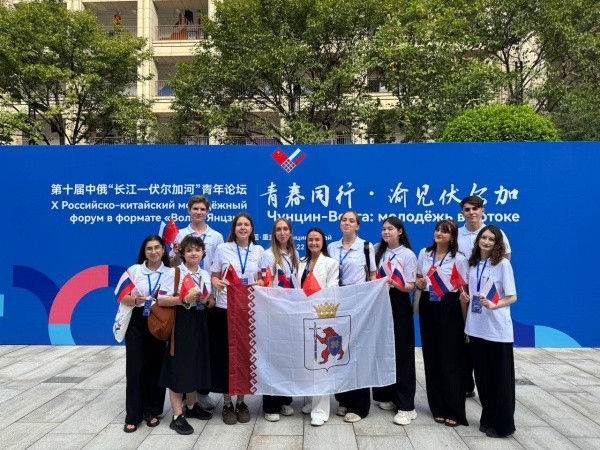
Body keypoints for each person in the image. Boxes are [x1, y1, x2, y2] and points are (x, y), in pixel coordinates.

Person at [460, 225, 517, 438]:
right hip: (476, 328)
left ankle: (503, 424)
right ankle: (488, 416)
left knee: (500, 379)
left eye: (491, 239)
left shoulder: (502, 264)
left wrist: (495, 305)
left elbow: (512, 296)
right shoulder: (473, 263)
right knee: (483, 378)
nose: (486, 242)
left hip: (497, 330)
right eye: (483, 238)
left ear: (497, 244)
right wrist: (465, 298)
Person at [210, 212, 264, 425]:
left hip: (248, 309)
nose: (243, 228)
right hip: (225, 307)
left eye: (246, 224)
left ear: (251, 229)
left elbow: (263, 278)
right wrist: (215, 282)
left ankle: (241, 401)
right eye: (239, 224)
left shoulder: (259, 251)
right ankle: (227, 403)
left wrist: (260, 282)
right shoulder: (223, 248)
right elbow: (214, 275)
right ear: (234, 228)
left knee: (244, 355)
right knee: (226, 356)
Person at [116, 235, 174, 433]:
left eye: (157, 247)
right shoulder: (134, 270)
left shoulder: (171, 273)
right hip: (137, 321)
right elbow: (121, 296)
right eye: (149, 248)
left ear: (163, 250)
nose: (154, 251)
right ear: (144, 251)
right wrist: (135, 300)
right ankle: (133, 415)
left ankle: (152, 411)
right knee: (135, 368)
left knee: (156, 367)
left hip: (159, 320)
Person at [415, 219, 469, 427]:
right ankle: (437, 406)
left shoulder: (459, 258)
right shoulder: (424, 253)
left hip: (449, 306)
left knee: (451, 359)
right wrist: (419, 282)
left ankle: (454, 409)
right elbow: (419, 277)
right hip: (428, 304)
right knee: (432, 356)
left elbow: (463, 288)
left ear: (452, 237)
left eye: (445, 231)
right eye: (437, 230)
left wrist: (465, 321)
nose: (439, 233)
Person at [171, 195, 224, 410]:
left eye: (202, 209)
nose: (199, 212)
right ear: (189, 210)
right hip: (184, 300)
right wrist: (175, 254)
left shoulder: (217, 236)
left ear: (208, 211)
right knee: (186, 348)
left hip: (207, 296)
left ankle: (201, 392)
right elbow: (172, 264)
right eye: (195, 209)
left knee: (205, 347)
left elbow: (219, 266)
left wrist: (212, 296)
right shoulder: (180, 234)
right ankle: (184, 393)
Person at [159, 235, 214, 435]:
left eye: (197, 250)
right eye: (189, 250)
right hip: (182, 322)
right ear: (182, 253)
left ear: (203, 253)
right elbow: (161, 300)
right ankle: (177, 416)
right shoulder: (175, 273)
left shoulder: (205, 274)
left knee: (195, 364)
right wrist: (183, 299)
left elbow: (211, 300)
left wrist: (208, 301)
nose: (193, 253)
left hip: (200, 321)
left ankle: (192, 406)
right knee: (179, 367)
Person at [457, 195, 512, 398]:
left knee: (491, 354)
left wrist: (494, 297)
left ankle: (494, 397)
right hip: (467, 297)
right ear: (462, 212)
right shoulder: (458, 234)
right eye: (467, 209)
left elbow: (504, 261)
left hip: (490, 301)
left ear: (483, 210)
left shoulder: (496, 233)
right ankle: (467, 384)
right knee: (468, 345)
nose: (471, 212)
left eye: (475, 208)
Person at [327, 211, 376, 423]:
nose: (347, 223)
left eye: (351, 221)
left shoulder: (366, 247)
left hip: (358, 302)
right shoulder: (332, 247)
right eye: (344, 220)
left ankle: (360, 405)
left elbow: (372, 275)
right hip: (338, 302)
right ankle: (344, 399)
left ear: (358, 226)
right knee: (339, 350)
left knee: (358, 351)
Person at [372, 217, 418, 426]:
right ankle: (387, 395)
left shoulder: (407, 254)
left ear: (399, 231)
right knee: (383, 348)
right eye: (383, 229)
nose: (386, 232)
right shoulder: (376, 250)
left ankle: (406, 405)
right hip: (379, 300)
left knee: (402, 351)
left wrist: (396, 283)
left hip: (398, 301)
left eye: (390, 229)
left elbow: (411, 286)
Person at [298, 227, 339, 426]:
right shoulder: (301, 262)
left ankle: (320, 410)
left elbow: (333, 289)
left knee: (322, 365)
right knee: (307, 362)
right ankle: (311, 399)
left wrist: (314, 295)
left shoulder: (331, 263)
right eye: (310, 240)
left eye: (317, 240)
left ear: (323, 242)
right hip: (303, 317)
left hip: (322, 317)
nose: (313, 243)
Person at [260, 218, 299, 422]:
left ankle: (285, 400)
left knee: (287, 356)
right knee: (272, 357)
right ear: (274, 233)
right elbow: (265, 284)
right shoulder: (268, 255)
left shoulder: (294, 254)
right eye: (278, 229)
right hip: (273, 311)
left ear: (290, 232)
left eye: (285, 229)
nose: (282, 232)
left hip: (290, 311)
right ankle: (271, 405)